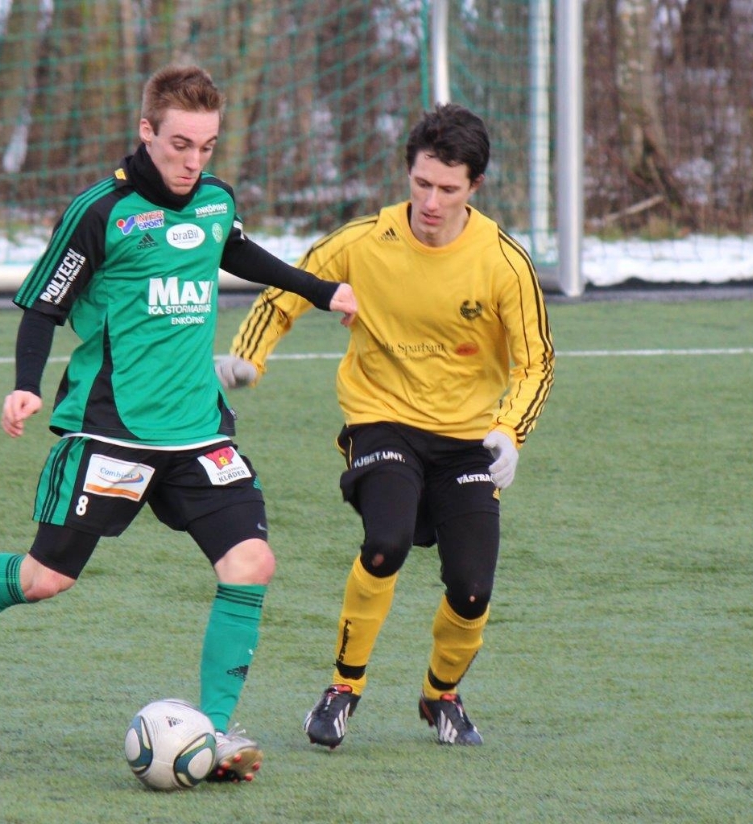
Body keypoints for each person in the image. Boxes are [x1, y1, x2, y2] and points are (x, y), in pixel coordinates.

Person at [0, 64, 357, 783]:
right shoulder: (101, 212)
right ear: (146, 131)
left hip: (198, 431)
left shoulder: (215, 200)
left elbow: (232, 247)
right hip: (111, 432)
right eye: (180, 145)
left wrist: (320, 290)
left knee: (250, 563)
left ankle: (214, 732)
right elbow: (43, 304)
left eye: (207, 147)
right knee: (45, 578)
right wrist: (25, 387)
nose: (193, 162)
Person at [216, 103, 553, 748]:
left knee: (472, 589)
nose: (431, 201)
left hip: (468, 440)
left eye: (448, 188)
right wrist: (248, 356)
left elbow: (537, 360)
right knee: (386, 543)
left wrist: (510, 430)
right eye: (421, 183)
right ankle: (343, 687)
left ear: (475, 186)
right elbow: (288, 289)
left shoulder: (505, 263)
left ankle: (441, 694)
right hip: (381, 420)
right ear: (408, 173)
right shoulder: (363, 241)